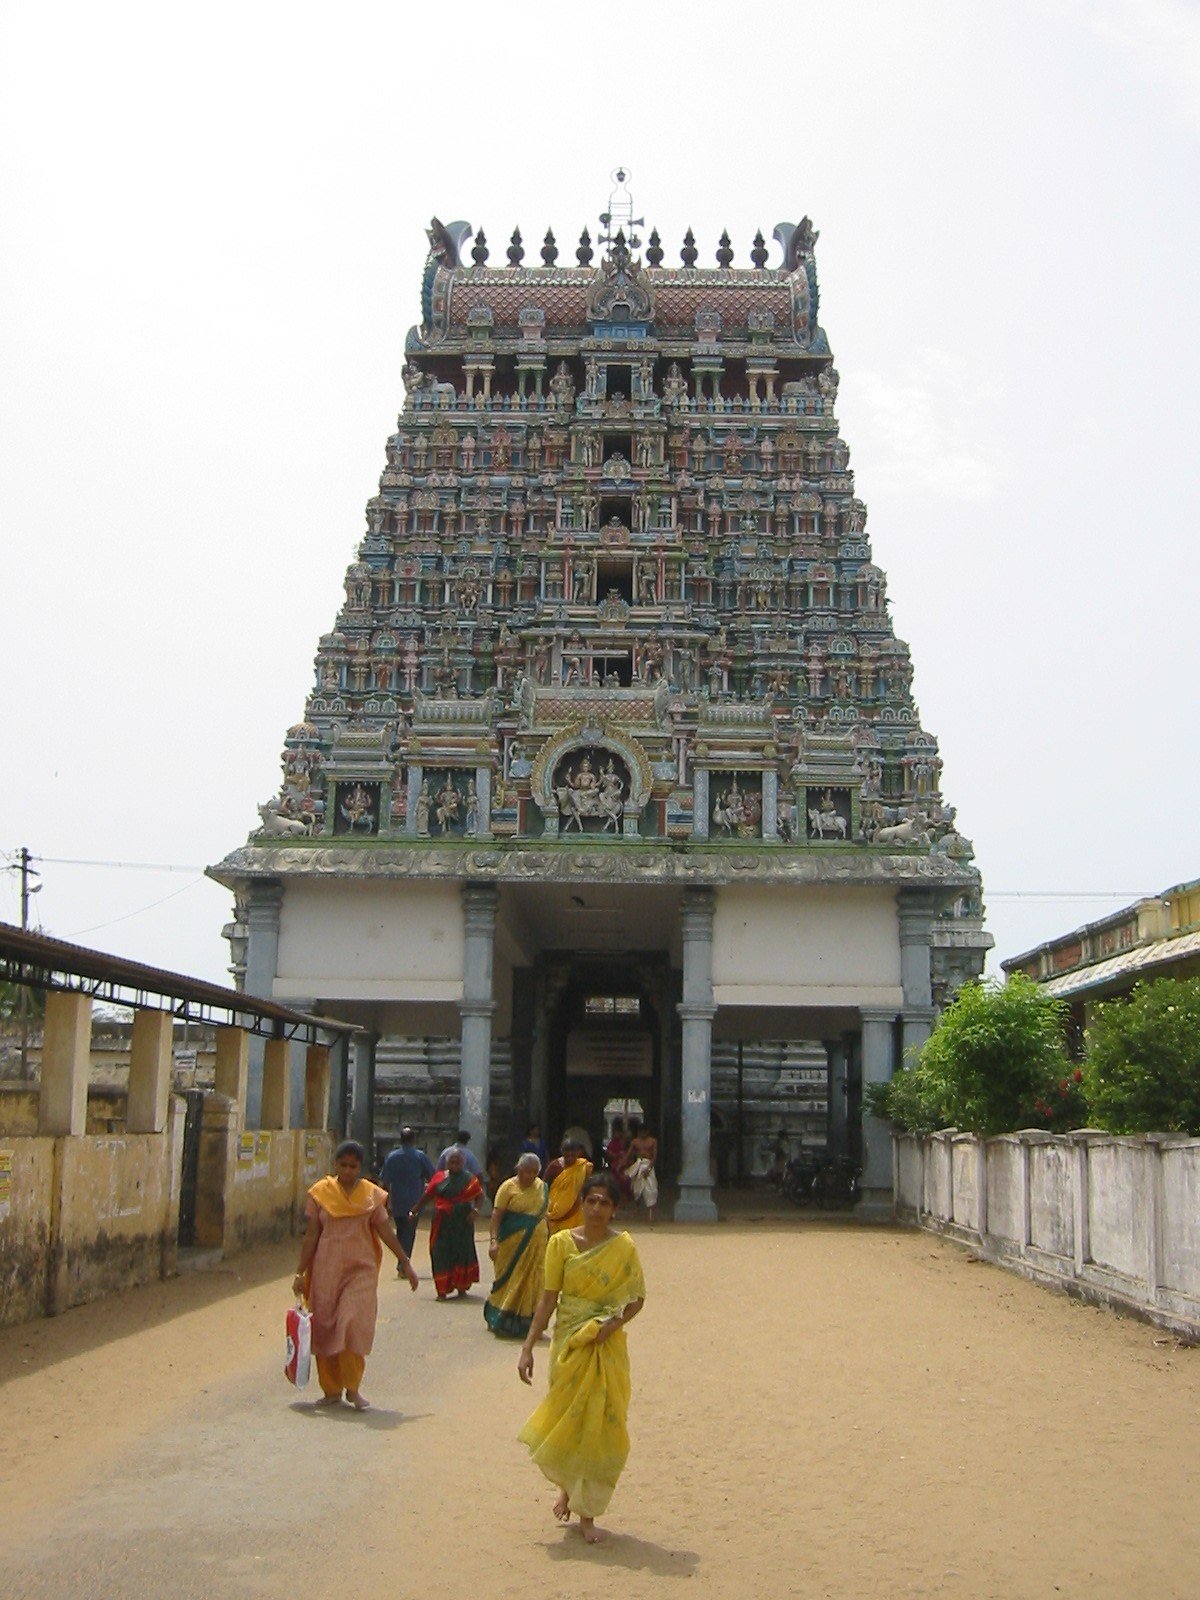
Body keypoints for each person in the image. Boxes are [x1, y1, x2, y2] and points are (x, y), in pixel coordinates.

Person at [517, 1172, 646, 1543]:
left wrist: (613, 1323)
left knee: (601, 1423)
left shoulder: (623, 1248)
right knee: (570, 1419)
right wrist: (527, 1347)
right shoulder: (560, 1244)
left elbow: (637, 1298)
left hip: (605, 1345)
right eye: (591, 1201)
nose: (596, 1209)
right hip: (569, 1342)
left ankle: (587, 1513)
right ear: (581, 1203)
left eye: (605, 1203)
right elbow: (547, 1298)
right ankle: (568, 1488)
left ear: (615, 1209)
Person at [292, 1140, 419, 1411]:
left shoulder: (371, 1195)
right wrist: (300, 1272)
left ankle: (353, 1388)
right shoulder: (320, 1193)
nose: (348, 1171)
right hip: (326, 1269)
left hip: (361, 1269)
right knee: (325, 1327)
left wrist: (405, 1261)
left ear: (361, 1168)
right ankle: (331, 1389)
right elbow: (312, 1235)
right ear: (335, 1165)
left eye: (353, 1166)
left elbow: (385, 1231)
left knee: (351, 1323)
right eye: (343, 1165)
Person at [484, 1152, 548, 1338]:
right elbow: (496, 1216)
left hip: (537, 1247)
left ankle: (530, 1325)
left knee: (536, 1284)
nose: (530, 1176)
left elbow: (545, 1216)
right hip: (510, 1246)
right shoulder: (507, 1188)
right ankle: (501, 1319)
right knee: (508, 1281)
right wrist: (493, 1241)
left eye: (534, 1172)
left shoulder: (542, 1188)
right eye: (526, 1172)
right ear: (518, 1169)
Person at [410, 1148, 483, 1299]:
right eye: (452, 1161)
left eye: (458, 1161)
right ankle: (442, 1290)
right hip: (442, 1222)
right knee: (439, 1252)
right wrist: (415, 1210)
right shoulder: (439, 1178)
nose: (455, 1164)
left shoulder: (470, 1179)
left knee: (462, 1252)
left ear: (463, 1163)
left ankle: (461, 1287)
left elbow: (479, 1197)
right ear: (446, 1163)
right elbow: (427, 1195)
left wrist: (475, 1211)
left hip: (462, 1222)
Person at [377, 1127, 434, 1270]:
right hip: (415, 1202)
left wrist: (383, 1204)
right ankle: (404, 1263)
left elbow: (385, 1182)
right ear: (413, 1140)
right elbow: (433, 1177)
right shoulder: (420, 1156)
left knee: (401, 1232)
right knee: (409, 1234)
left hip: (397, 1202)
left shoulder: (392, 1157)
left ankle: (401, 1261)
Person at [543, 1137, 593, 1234]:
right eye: (567, 1151)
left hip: (576, 1210)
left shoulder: (583, 1166)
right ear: (562, 1151)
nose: (570, 1154)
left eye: (573, 1152)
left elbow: (586, 1187)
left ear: (578, 1152)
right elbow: (544, 1186)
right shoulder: (554, 1166)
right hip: (554, 1213)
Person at [625, 1121, 659, 1225]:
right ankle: (637, 1213)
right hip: (638, 1166)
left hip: (648, 1166)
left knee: (651, 1191)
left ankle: (650, 1217)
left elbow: (654, 1156)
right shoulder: (635, 1142)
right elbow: (628, 1155)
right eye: (641, 1132)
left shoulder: (653, 1141)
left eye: (644, 1132)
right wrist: (623, 1165)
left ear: (647, 1132)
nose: (642, 1134)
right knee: (637, 1190)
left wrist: (649, 1168)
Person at [605, 1116, 631, 1201]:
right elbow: (609, 1152)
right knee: (617, 1181)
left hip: (623, 1162)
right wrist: (616, 1156)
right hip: (616, 1163)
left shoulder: (625, 1140)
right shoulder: (613, 1142)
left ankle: (624, 1197)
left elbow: (628, 1152)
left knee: (624, 1180)